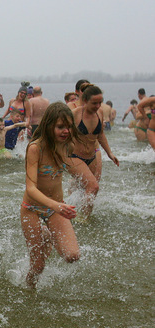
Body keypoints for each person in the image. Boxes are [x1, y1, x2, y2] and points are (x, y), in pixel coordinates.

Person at [21, 102, 80, 289]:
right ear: (48, 126)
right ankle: (29, 292)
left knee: (72, 256)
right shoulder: (35, 148)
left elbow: (75, 168)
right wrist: (56, 206)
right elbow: (31, 188)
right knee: (38, 266)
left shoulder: (67, 145)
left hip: (56, 208)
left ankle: (47, 233)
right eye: (60, 127)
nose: (66, 131)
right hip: (32, 209)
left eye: (69, 127)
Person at [70, 83, 119, 220]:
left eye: (100, 102)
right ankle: (83, 220)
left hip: (91, 157)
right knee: (93, 187)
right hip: (74, 156)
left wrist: (109, 153)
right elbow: (58, 132)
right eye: (94, 103)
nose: (98, 106)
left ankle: (75, 211)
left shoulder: (100, 113)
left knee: (86, 188)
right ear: (85, 101)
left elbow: (100, 134)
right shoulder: (75, 114)